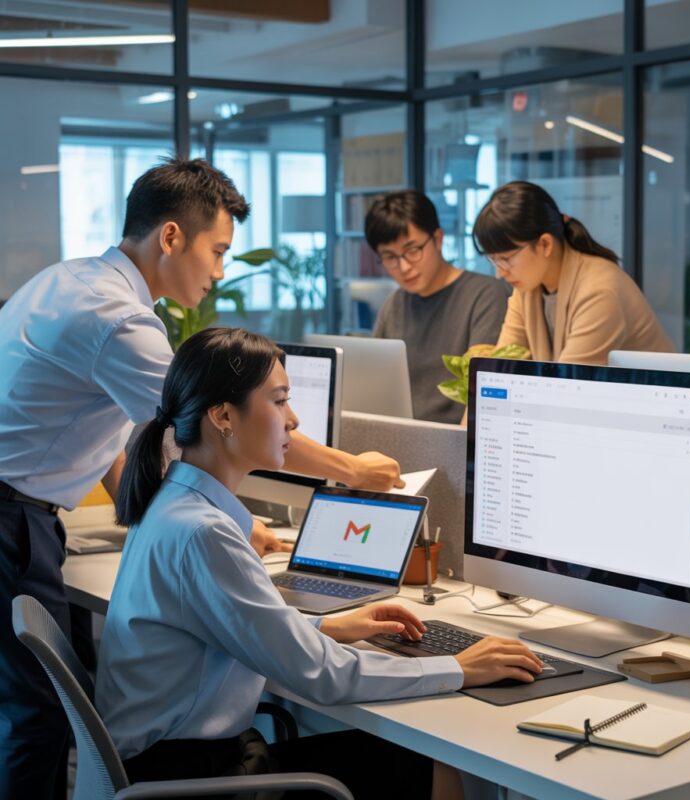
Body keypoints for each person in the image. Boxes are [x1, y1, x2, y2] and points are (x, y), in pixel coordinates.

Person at [0, 158, 402, 799]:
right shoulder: (119, 319)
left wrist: (206, 515)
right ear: (170, 237)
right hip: (14, 519)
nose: (220, 271)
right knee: (35, 719)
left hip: (22, 512)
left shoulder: (70, 280)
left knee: (37, 714)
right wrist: (353, 469)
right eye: (217, 251)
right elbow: (212, 413)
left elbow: (108, 433)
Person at [95, 327, 543, 799]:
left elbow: (240, 626)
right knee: (429, 766)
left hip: (167, 763)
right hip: (186, 782)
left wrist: (329, 627)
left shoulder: (173, 503)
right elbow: (322, 675)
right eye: (279, 401)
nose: (293, 420)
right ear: (223, 416)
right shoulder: (204, 534)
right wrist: (458, 668)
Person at [473, 181, 674, 364]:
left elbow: (567, 385)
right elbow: (503, 365)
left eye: (506, 259)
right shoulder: (527, 287)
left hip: (651, 392)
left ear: (545, 244)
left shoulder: (598, 291)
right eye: (493, 260)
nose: (500, 273)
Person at [366, 190, 509, 424]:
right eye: (390, 257)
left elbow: (485, 393)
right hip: (400, 434)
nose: (404, 267)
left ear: (438, 239)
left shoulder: (486, 295)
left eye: (412, 251)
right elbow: (373, 383)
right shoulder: (394, 305)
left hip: (459, 437)